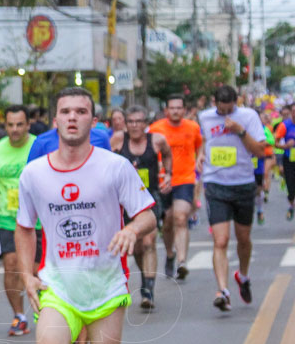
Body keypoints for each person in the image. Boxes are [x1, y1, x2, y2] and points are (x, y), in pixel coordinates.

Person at [15, 86, 156, 344]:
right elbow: (25, 227)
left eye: (81, 111)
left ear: (94, 121)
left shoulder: (115, 166)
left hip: (106, 285)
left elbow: (147, 213)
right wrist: (27, 275)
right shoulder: (35, 174)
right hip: (59, 285)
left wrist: (133, 230)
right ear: (55, 120)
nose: (73, 117)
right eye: (66, 111)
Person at [198, 85, 267, 311]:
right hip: (216, 184)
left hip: (243, 184)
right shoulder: (205, 117)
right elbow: (203, 142)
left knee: (243, 239)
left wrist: (240, 131)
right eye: (222, 109)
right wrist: (200, 156)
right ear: (214, 103)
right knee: (221, 240)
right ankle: (222, 291)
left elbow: (259, 151)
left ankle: (243, 277)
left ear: (236, 102)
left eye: (230, 109)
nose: (226, 114)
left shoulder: (248, 116)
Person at [0, 104, 38, 334]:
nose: (15, 129)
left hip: (39, 219)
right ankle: (19, 315)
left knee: (37, 269)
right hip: (8, 217)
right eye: (10, 125)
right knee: (12, 266)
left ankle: (43, 311)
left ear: (28, 124)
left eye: (20, 124)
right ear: (4, 126)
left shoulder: (40, 146)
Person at [111, 106, 171, 309]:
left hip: (149, 195)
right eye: (131, 122)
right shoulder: (118, 141)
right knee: (136, 246)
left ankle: (148, 289)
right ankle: (146, 280)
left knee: (149, 241)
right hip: (126, 199)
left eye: (139, 121)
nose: (135, 126)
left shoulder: (156, 140)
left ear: (146, 123)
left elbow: (168, 154)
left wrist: (168, 174)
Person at [149, 93, 203, 280]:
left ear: (184, 110)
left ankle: (182, 261)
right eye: (172, 108)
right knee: (168, 222)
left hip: (185, 179)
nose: (175, 111)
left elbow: (200, 147)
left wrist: (201, 158)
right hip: (163, 180)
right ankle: (170, 255)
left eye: (179, 108)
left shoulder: (193, 127)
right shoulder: (155, 129)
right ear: (166, 110)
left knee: (180, 218)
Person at [274, 104, 295, 220]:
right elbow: (275, 143)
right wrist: (286, 146)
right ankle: (291, 205)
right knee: (291, 189)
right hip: (289, 160)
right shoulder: (285, 125)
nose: (294, 113)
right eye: (293, 111)